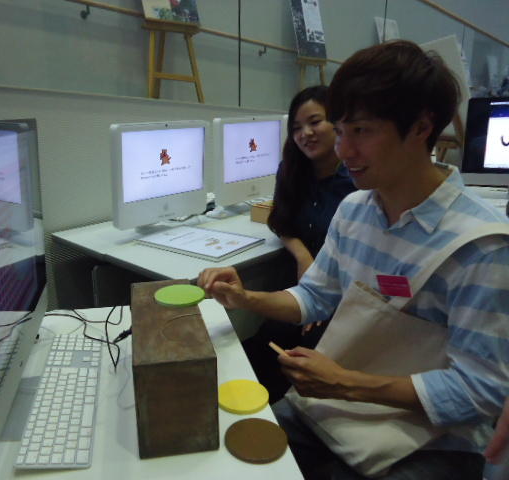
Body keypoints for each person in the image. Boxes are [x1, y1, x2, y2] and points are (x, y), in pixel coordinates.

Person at [198, 40, 509, 479]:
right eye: (341, 131)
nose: (344, 151)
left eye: (361, 131)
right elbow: (314, 297)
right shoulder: (356, 210)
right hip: (336, 407)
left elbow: (482, 390)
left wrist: (346, 383)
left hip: (433, 438)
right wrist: (246, 298)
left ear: (421, 128)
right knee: (232, 460)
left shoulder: (484, 245)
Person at [243, 85, 355, 404]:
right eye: (296, 128)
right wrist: (303, 257)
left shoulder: (356, 180)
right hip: (300, 281)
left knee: (299, 351)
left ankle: (279, 414)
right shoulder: (292, 169)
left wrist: (323, 294)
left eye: (315, 122)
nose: (305, 133)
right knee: (266, 344)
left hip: (342, 290)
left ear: (338, 123)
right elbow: (280, 220)